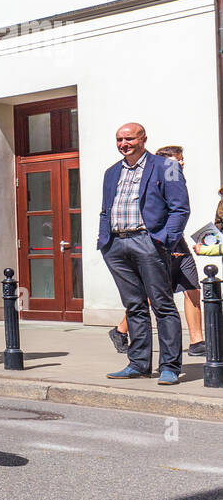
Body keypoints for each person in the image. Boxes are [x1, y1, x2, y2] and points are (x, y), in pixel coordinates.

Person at [99, 123, 190, 385]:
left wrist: (164, 242)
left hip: (149, 242)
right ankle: (138, 364)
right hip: (116, 245)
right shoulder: (111, 171)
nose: (123, 143)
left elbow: (180, 209)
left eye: (129, 138)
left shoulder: (167, 167)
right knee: (134, 306)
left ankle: (170, 366)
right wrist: (105, 240)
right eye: (119, 139)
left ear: (143, 139)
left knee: (162, 305)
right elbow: (106, 208)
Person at [109, 145, 204, 357]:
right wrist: (164, 243)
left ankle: (197, 341)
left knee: (192, 288)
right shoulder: (158, 177)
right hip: (161, 244)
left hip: (178, 244)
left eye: (181, 160)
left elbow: (180, 210)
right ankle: (120, 330)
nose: (180, 163)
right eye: (176, 160)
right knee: (155, 295)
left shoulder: (176, 178)